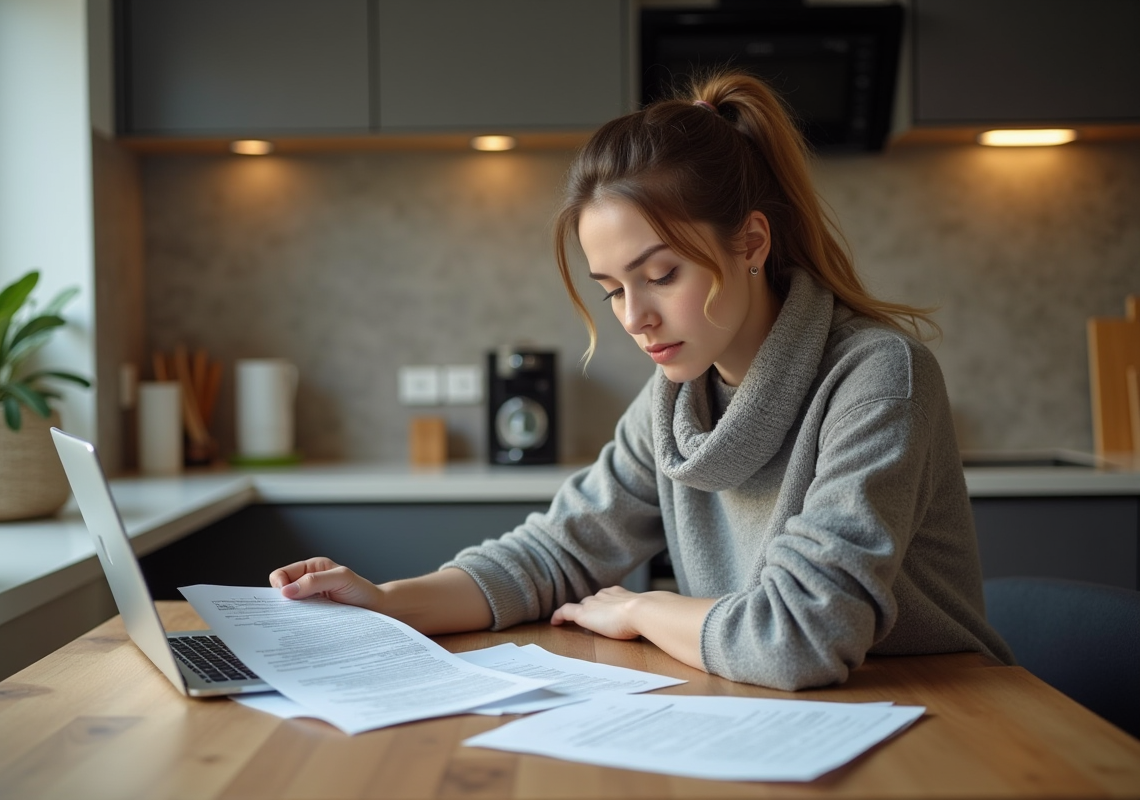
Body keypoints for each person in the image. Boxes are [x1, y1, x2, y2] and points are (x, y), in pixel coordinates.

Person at [270, 71, 1014, 690]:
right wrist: (388, 602)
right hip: (779, 715)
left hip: (941, 715)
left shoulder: (878, 375)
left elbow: (799, 635)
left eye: (661, 275)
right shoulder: (673, 404)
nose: (636, 317)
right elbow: (554, 554)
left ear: (752, 242)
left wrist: (645, 609)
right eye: (613, 290)